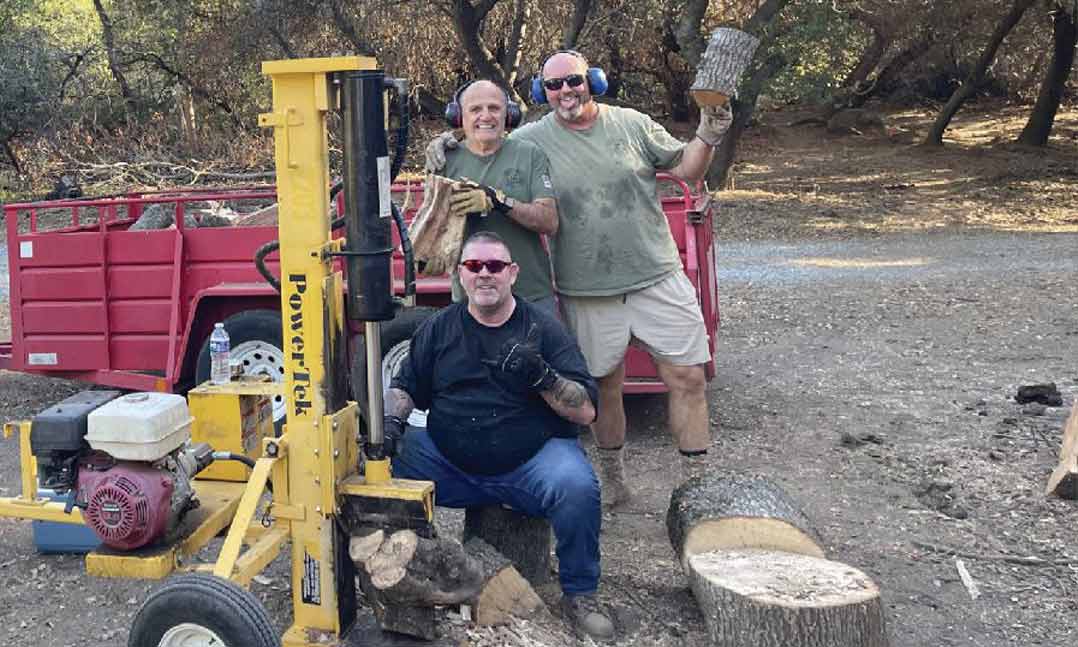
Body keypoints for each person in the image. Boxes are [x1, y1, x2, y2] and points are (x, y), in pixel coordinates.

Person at [426, 51, 733, 507]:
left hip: (656, 274)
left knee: (688, 377)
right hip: (586, 290)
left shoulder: (630, 123)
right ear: (540, 94)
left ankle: (697, 486)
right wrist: (445, 143)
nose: (565, 91)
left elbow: (687, 169)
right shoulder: (532, 141)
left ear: (592, 81)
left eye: (573, 80)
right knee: (604, 386)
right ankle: (614, 482)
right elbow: (486, 139)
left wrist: (708, 132)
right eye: (553, 86)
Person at [384, 231, 616, 641]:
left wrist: (542, 375)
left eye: (495, 266)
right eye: (475, 266)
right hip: (446, 462)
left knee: (577, 485)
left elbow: (586, 410)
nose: (485, 274)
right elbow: (405, 387)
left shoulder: (544, 330)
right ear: (461, 274)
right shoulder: (439, 329)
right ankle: (415, 578)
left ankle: (581, 595)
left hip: (527, 465)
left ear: (513, 273)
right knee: (374, 463)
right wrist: (390, 423)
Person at [439, 79, 559, 315]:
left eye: (494, 108)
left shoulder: (528, 154)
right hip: (470, 301)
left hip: (530, 297)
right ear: (458, 117)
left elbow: (549, 221)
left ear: (509, 115)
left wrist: (498, 202)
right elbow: (434, 233)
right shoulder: (445, 160)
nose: (486, 116)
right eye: (475, 109)